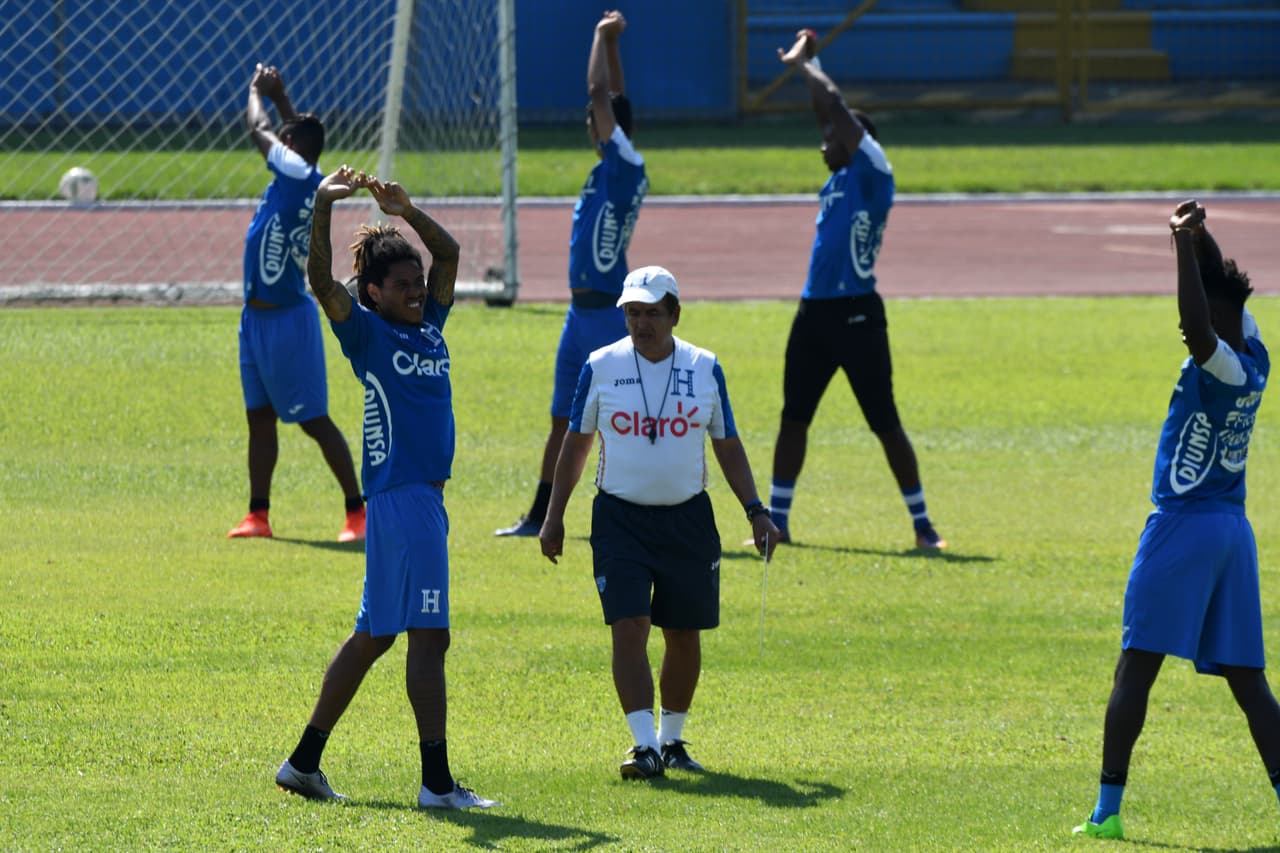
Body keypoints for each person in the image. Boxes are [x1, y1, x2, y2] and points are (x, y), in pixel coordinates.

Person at [273, 166, 497, 810]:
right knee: (430, 637)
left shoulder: (430, 326)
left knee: (375, 636)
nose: (418, 293)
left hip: (416, 501)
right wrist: (321, 206)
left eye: (419, 285)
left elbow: (448, 254)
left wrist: (406, 211)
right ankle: (437, 785)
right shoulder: (364, 332)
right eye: (402, 286)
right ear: (372, 291)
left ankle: (303, 763)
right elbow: (320, 280)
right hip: (404, 499)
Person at [1073, 200, 1280, 841]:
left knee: (1135, 666)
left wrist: (1186, 255)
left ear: (1217, 320)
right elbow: (1219, 296)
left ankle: (1107, 813)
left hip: (1183, 528)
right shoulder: (1258, 354)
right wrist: (1191, 238)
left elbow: (1196, 328)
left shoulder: (1216, 361)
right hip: (1232, 534)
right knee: (1249, 681)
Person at [539, 265, 782, 780]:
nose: (640, 323)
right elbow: (576, 444)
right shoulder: (600, 366)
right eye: (632, 312)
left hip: (688, 519)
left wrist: (756, 510)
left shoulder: (705, 366)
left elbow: (727, 443)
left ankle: (673, 740)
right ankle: (643, 745)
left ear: (675, 313)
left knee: (683, 632)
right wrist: (553, 516)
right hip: (619, 519)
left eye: (652, 312)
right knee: (628, 625)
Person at [762, 30, 944, 551]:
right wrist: (811, 70)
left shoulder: (872, 174)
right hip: (813, 315)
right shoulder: (840, 176)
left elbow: (837, 108)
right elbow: (829, 110)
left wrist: (804, 64)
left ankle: (922, 524)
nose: (823, 142)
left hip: (858, 315)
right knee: (794, 417)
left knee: (884, 421)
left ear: (856, 143)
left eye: (831, 138)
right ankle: (779, 520)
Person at [495, 9, 648, 538]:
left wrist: (600, 38)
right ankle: (538, 514)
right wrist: (613, 48)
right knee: (563, 418)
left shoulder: (626, 165)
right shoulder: (610, 166)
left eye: (596, 120)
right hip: (578, 314)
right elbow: (615, 101)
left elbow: (600, 93)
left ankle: (637, 508)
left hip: (607, 314)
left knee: (616, 418)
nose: (591, 122)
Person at [228, 63, 364, 543]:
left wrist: (255, 92)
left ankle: (357, 512)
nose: (277, 142)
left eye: (286, 137)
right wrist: (283, 97)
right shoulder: (306, 173)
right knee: (259, 417)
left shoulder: (293, 169)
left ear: (293, 147)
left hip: (287, 319)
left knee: (312, 419)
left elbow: (258, 127)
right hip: (257, 319)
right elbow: (295, 130)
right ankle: (258, 515)